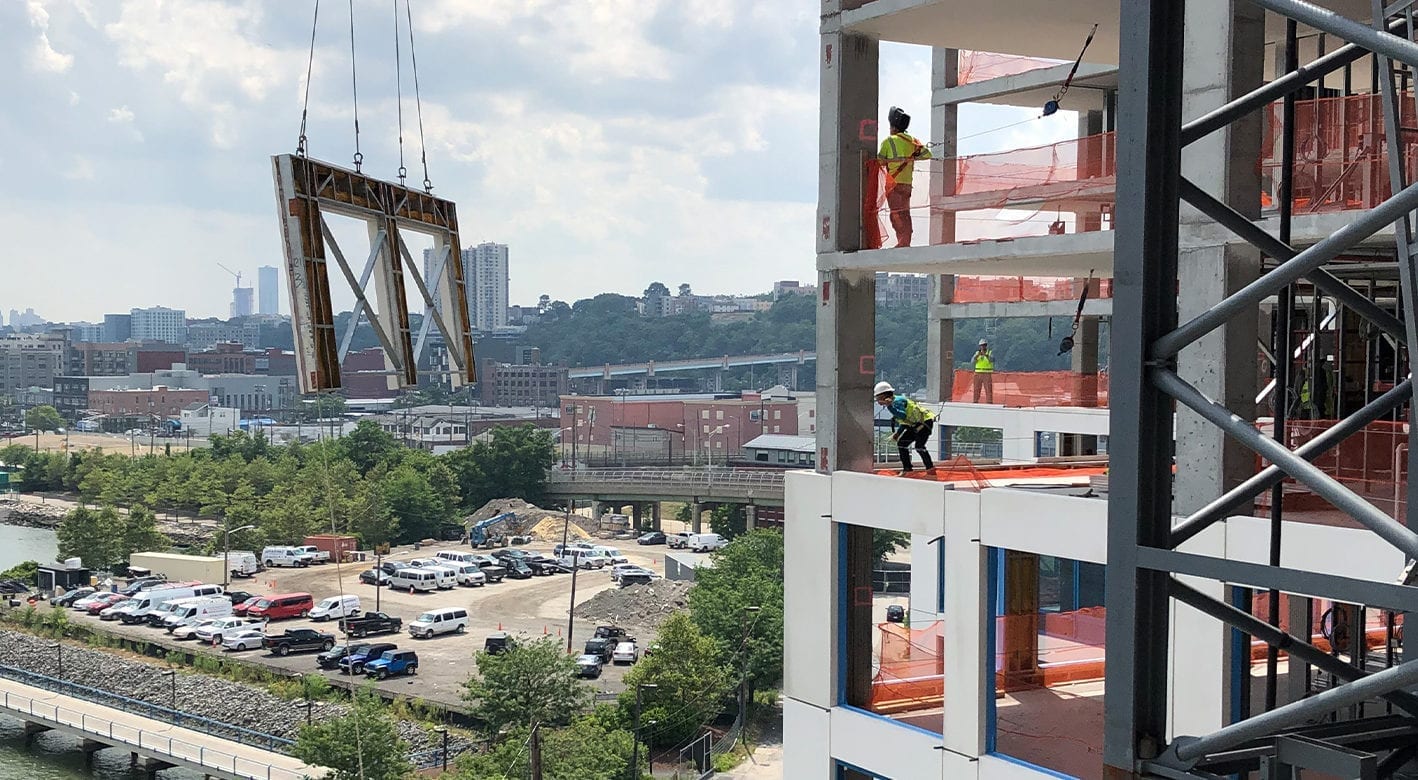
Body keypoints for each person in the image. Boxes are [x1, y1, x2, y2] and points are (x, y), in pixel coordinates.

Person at [878, 107, 931, 248]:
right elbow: (927, 154)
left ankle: (903, 242)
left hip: (893, 184)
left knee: (896, 214)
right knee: (905, 214)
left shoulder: (888, 142)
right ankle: (906, 240)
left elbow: (879, 161)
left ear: (893, 126)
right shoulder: (913, 141)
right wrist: (913, 155)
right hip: (907, 184)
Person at [874, 381, 935, 473]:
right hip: (914, 424)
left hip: (924, 423)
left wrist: (889, 406)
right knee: (902, 444)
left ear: (884, 396)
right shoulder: (894, 403)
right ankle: (907, 469)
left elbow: (903, 415)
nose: (878, 401)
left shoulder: (897, 402)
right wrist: (898, 433)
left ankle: (930, 468)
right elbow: (905, 421)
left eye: (879, 398)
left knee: (919, 446)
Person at [972, 339, 995, 403]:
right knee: (976, 389)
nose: (983, 347)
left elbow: (992, 360)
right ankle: (975, 401)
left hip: (987, 373)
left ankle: (989, 402)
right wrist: (977, 356)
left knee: (988, 389)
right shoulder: (977, 353)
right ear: (980, 346)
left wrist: (986, 355)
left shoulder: (989, 352)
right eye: (982, 345)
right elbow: (972, 361)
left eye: (984, 345)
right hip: (977, 373)